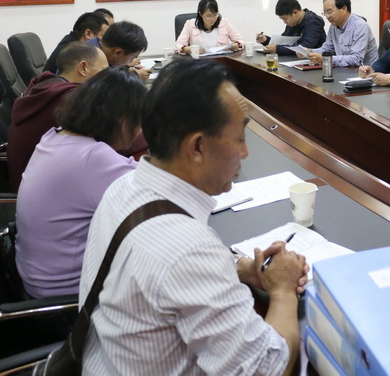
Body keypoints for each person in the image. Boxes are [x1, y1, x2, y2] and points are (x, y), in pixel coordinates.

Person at [79, 58, 308, 375]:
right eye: (240, 138)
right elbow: (269, 368)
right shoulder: (190, 249)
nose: (245, 153)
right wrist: (283, 289)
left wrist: (239, 268)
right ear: (197, 147)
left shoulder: (123, 187)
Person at [15, 66, 147, 299]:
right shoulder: (92, 158)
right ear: (123, 121)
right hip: (67, 298)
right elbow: (156, 187)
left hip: (36, 279)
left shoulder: (55, 135)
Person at [7, 42, 110, 192]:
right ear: (83, 68)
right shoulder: (70, 100)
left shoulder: (45, 86)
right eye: (104, 71)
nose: (107, 78)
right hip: (44, 191)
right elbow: (112, 138)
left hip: (30, 182)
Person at [306, 0, 378, 67]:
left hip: (364, 71)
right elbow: (327, 49)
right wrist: (309, 51)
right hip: (344, 69)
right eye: (325, 13)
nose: (327, 16)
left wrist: (327, 59)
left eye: (330, 12)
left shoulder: (360, 26)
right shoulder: (333, 26)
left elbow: (357, 59)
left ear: (344, 9)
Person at [256, 0, 326, 56]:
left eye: (285, 19)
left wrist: (277, 49)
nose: (284, 22)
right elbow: (283, 42)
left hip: (314, 62)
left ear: (295, 12)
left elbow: (305, 46)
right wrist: (266, 40)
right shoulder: (293, 22)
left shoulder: (314, 22)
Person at [43, 12, 110, 74]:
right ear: (88, 34)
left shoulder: (70, 41)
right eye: (103, 36)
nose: (104, 41)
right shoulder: (70, 52)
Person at [176, 0, 244, 55]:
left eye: (215, 15)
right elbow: (177, 46)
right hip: (199, 63)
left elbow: (240, 40)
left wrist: (237, 45)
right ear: (201, 14)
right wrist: (189, 49)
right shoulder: (190, 25)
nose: (213, 19)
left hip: (221, 61)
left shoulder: (224, 23)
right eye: (209, 16)